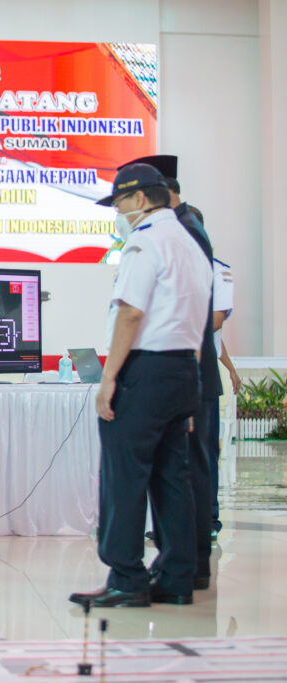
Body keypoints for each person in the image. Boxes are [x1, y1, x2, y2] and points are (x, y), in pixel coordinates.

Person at [70, 164, 211, 608]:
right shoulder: (192, 245)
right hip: (185, 370)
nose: (117, 211)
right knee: (174, 478)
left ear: (139, 199)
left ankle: (126, 577)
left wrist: (109, 378)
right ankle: (175, 578)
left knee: (125, 475)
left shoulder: (144, 242)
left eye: (118, 203)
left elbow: (131, 313)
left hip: (145, 373)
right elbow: (201, 322)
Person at [127, 155, 217, 590]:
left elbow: (194, 311)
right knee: (177, 472)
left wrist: (193, 382)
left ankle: (191, 564)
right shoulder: (180, 229)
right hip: (184, 368)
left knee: (186, 472)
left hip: (182, 365)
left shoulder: (183, 230)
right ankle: (180, 565)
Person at [210, 256, 237, 537]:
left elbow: (216, 325)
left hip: (203, 376)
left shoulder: (219, 271)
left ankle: (209, 520)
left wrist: (231, 371)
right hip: (175, 376)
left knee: (206, 451)